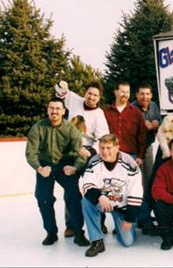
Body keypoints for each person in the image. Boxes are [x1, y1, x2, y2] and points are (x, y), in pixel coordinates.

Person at [25, 97, 90, 247]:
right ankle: (51, 233)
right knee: (43, 198)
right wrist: (39, 168)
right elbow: (30, 153)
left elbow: (80, 153)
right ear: (48, 110)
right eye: (51, 108)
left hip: (65, 165)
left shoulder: (71, 130)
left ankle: (78, 233)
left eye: (57, 108)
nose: (54, 111)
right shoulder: (38, 128)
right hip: (45, 165)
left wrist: (74, 168)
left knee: (74, 196)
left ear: (63, 111)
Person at [55, 80, 110, 236]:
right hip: (70, 150)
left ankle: (100, 222)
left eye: (95, 95)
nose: (91, 97)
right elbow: (59, 91)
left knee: (95, 187)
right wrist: (62, 84)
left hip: (88, 152)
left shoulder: (99, 114)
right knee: (70, 188)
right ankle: (71, 225)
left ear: (99, 98)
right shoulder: (74, 100)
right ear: (85, 93)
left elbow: (102, 138)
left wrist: (91, 151)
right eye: (89, 93)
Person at [81, 134, 143, 257]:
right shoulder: (94, 161)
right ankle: (97, 241)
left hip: (122, 207)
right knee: (86, 202)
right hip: (104, 203)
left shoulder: (129, 163)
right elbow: (87, 185)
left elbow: (136, 191)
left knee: (127, 242)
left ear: (117, 148)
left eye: (108, 148)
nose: (105, 151)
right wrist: (100, 196)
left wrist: (129, 218)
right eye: (102, 148)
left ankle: (124, 225)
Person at [131, 84, 161, 235]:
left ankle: (146, 215)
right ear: (136, 95)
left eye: (148, 94)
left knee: (149, 182)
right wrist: (145, 126)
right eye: (142, 94)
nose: (145, 97)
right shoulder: (132, 109)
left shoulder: (154, 106)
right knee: (138, 184)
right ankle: (141, 219)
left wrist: (155, 125)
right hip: (133, 151)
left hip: (148, 148)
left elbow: (158, 124)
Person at [103, 82, 147, 166]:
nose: (125, 94)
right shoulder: (106, 112)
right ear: (115, 92)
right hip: (111, 155)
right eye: (122, 92)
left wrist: (140, 156)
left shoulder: (136, 112)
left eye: (127, 92)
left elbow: (142, 136)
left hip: (131, 157)